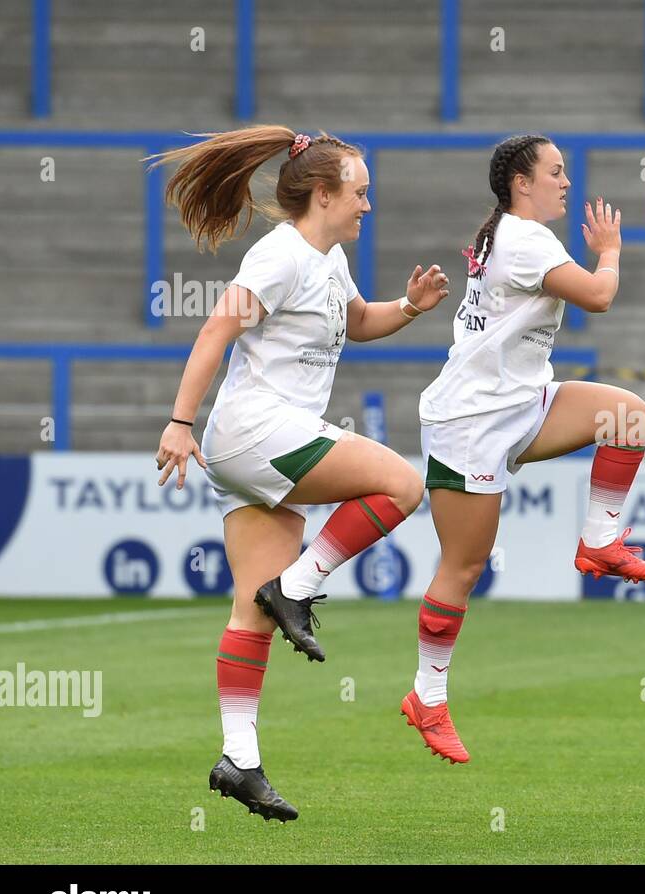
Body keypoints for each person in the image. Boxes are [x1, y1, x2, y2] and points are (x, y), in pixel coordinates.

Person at [150, 125, 450, 819]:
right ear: (322, 193)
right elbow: (214, 331)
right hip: (257, 428)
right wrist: (178, 421)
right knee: (403, 485)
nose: (368, 205)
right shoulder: (279, 256)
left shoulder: (330, 259)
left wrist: (408, 308)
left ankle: (240, 759)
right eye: (360, 192)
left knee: (249, 611)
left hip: (258, 444)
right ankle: (299, 586)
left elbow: (360, 322)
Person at [403, 135, 645, 764]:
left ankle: (599, 541)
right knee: (463, 569)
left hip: (521, 403)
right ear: (522, 183)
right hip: (471, 423)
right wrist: (610, 252)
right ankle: (427, 697)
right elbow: (600, 297)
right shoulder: (524, 239)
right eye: (555, 172)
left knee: (626, 415)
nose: (566, 182)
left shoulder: (510, 235)